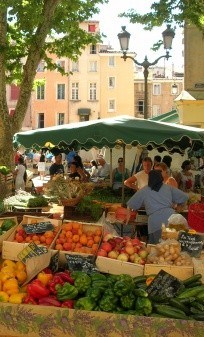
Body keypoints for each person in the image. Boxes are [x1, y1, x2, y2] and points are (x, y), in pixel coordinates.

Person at [126, 170, 188, 244]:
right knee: (172, 247)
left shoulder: (145, 190)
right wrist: (179, 207)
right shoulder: (168, 188)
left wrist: (127, 217)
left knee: (157, 248)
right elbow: (185, 197)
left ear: (149, 179)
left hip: (156, 222)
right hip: (172, 219)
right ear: (161, 178)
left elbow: (131, 204)